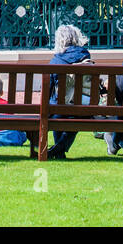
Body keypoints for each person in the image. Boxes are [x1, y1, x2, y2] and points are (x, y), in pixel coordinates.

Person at [44, 24, 93, 159]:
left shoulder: (56, 60)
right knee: (75, 114)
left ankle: (58, 148)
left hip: (60, 108)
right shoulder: (85, 55)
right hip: (84, 107)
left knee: (56, 107)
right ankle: (60, 148)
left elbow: (48, 88)